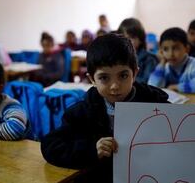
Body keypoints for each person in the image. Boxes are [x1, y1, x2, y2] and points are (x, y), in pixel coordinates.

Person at [41, 34, 169, 183]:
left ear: (135, 73)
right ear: (92, 79)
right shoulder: (84, 111)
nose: (115, 86)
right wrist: (92, 149)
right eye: (104, 78)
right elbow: (50, 146)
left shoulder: (156, 105)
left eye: (123, 76)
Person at [148, 27, 195, 93]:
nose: (170, 54)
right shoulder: (164, 67)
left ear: (187, 49)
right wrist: (162, 63)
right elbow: (152, 87)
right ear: (161, 51)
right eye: (165, 49)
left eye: (176, 48)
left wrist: (176, 87)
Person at [118, 18, 158, 84]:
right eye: (124, 38)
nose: (128, 41)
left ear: (140, 39)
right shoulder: (118, 57)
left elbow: (147, 81)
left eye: (132, 37)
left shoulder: (149, 59)